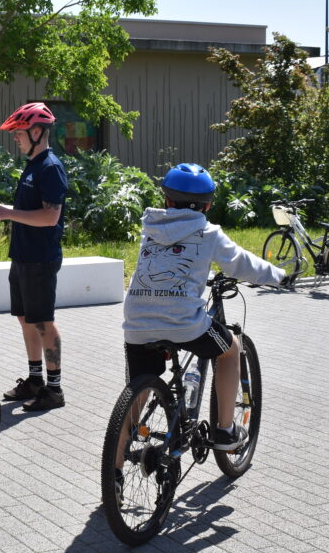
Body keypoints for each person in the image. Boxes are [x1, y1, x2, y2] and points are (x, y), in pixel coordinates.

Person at [122, 163, 286, 458]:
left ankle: (116, 467)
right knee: (231, 350)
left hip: (136, 323)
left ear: (167, 200)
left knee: (137, 391)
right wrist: (278, 275)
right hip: (183, 323)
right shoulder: (208, 233)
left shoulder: (151, 228)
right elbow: (241, 263)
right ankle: (225, 430)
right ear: (208, 205)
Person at [0, 102, 69, 412]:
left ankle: (54, 390)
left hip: (40, 259)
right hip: (22, 255)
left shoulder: (50, 167)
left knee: (43, 322)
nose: (15, 138)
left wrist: (8, 213)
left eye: (19, 133)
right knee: (26, 318)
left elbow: (50, 217)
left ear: (36, 132)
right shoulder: (33, 165)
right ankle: (35, 381)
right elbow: (29, 210)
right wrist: (4, 211)